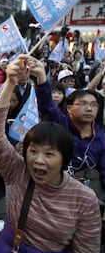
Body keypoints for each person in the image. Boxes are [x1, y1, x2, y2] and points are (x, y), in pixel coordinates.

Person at [0, 55, 101, 253]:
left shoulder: (84, 199)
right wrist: (10, 84)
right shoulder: (17, 171)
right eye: (33, 151)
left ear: (65, 159)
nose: (38, 161)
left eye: (49, 154)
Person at [31, 58, 105, 203]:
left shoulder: (101, 138)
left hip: (91, 198)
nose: (89, 109)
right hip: (58, 192)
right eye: (83, 104)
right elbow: (47, 105)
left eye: (94, 105)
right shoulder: (61, 124)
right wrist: (41, 77)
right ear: (69, 108)